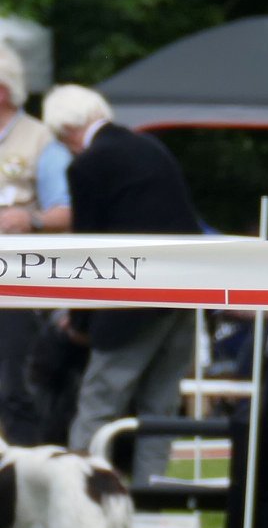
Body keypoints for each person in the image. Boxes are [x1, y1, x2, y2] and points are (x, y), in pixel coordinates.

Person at [45, 85, 200, 486]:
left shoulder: (89, 164)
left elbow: (88, 250)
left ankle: (75, 490)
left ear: (67, 130)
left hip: (132, 301)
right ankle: (153, 495)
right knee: (160, 406)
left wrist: (79, 323)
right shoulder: (149, 147)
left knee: (99, 401)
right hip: (187, 290)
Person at [0, 42, 74, 446]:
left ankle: (23, 490)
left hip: (15, 289)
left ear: (2, 90)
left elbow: (67, 210)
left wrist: (30, 218)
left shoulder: (42, 141)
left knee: (13, 391)